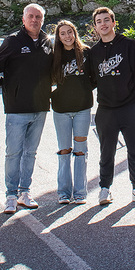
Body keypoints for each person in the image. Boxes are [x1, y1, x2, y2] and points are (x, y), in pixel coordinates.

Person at [0, 3, 53, 214]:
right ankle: (10, 195)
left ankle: (25, 192)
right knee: (13, 153)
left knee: (30, 153)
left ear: (42, 20)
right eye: (31, 16)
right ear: (23, 19)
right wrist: (8, 87)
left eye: (38, 17)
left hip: (40, 107)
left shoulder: (47, 41)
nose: (34, 20)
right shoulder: (12, 41)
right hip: (17, 108)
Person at [87, 6, 135, 206]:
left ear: (114, 22)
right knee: (106, 153)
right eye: (99, 21)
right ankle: (104, 190)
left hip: (131, 108)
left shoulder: (129, 45)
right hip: (106, 111)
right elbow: (90, 81)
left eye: (106, 20)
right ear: (95, 27)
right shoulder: (94, 53)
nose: (103, 24)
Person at [50, 20, 93, 205]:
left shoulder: (86, 53)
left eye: (70, 32)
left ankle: (80, 193)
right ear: (58, 37)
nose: (67, 36)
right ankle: (64, 193)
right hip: (61, 110)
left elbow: (94, 78)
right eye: (63, 33)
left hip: (82, 109)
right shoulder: (54, 56)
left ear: (75, 33)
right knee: (64, 151)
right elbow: (47, 80)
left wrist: (84, 90)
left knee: (81, 151)